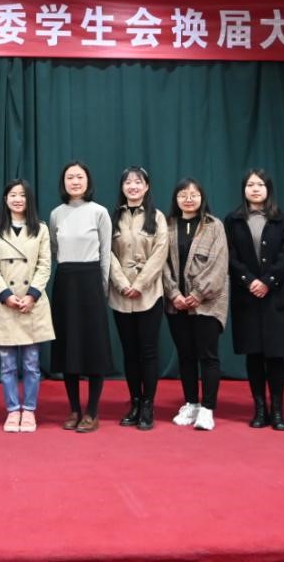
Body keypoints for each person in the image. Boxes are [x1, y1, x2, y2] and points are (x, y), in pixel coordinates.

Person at [224, 169, 284, 431]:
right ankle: (259, 409)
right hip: (247, 297)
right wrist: (249, 280)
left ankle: (277, 411)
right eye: (250, 185)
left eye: (260, 185)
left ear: (268, 189)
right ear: (243, 189)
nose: (255, 189)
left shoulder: (283, 220)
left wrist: (267, 281)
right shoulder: (233, 220)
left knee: (275, 356)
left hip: (276, 296)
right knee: (253, 355)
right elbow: (230, 255)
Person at [49, 161, 115, 433]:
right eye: (69, 177)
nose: (75, 181)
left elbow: (106, 253)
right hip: (65, 281)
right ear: (63, 183)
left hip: (91, 282)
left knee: (93, 347)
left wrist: (103, 288)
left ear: (88, 181)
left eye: (79, 177)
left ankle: (92, 411)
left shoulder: (99, 212)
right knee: (69, 346)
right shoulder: (56, 214)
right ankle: (74, 409)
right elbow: (54, 249)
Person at [0, 179, 55, 433]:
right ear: (5, 199)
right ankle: (12, 410)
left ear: (29, 200)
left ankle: (29, 410)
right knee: (7, 364)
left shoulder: (41, 229)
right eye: (13, 195)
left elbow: (45, 265)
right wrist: (5, 294)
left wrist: (32, 295)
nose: (17, 199)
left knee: (31, 364)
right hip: (6, 304)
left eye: (22, 195)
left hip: (31, 304)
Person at [162, 178, 228, 431]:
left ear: (202, 198)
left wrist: (199, 293)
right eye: (183, 195)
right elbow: (162, 263)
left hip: (207, 303)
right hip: (176, 303)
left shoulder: (214, 226)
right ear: (176, 199)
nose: (188, 199)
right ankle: (191, 403)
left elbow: (219, 264)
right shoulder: (167, 225)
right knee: (185, 355)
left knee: (208, 355)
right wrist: (173, 293)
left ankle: (207, 409)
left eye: (193, 194)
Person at [109, 166, 169, 431]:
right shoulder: (112, 217)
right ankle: (134, 402)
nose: (133, 186)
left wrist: (140, 284)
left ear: (146, 187)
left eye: (138, 182)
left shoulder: (157, 217)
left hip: (149, 294)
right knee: (129, 352)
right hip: (121, 294)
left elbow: (160, 253)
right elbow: (107, 253)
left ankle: (148, 405)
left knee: (148, 351)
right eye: (128, 182)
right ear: (122, 187)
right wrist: (123, 284)